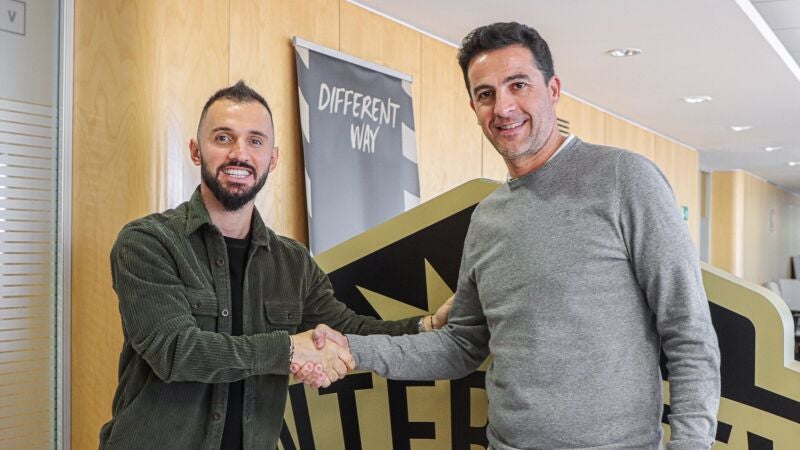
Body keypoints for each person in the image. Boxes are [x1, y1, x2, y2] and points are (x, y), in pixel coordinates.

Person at [304, 22, 721, 449]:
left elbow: (687, 329)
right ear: (474, 107)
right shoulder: (487, 218)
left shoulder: (625, 179)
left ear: (553, 89)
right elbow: (462, 345)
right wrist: (352, 348)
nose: (503, 107)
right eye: (486, 94)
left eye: (518, 85)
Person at [98, 81, 451, 450]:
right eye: (223, 138)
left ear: (273, 158)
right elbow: (175, 352)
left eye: (255, 141)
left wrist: (428, 326)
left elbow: (345, 330)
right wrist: (289, 350)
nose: (239, 153)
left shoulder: (293, 262)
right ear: (196, 150)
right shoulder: (148, 242)